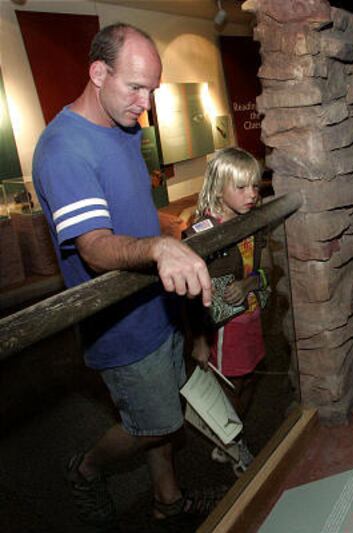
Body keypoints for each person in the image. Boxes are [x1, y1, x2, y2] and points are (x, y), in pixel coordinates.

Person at [32, 23, 223, 527]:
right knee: (157, 423)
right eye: (136, 87)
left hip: (157, 306)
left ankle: (168, 499)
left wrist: (169, 228)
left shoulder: (125, 127)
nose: (145, 103)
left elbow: (128, 207)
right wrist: (159, 247)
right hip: (121, 327)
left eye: (152, 90)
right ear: (98, 73)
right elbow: (94, 248)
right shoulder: (63, 149)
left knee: (158, 412)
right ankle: (86, 467)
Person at [184, 147, 268, 476]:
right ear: (219, 188)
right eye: (242, 187)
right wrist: (199, 341)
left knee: (248, 380)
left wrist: (250, 284)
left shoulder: (252, 220)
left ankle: (231, 437)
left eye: (255, 186)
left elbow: (263, 270)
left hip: (250, 317)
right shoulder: (202, 232)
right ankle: (231, 445)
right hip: (223, 328)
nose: (252, 195)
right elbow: (190, 293)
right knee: (230, 388)